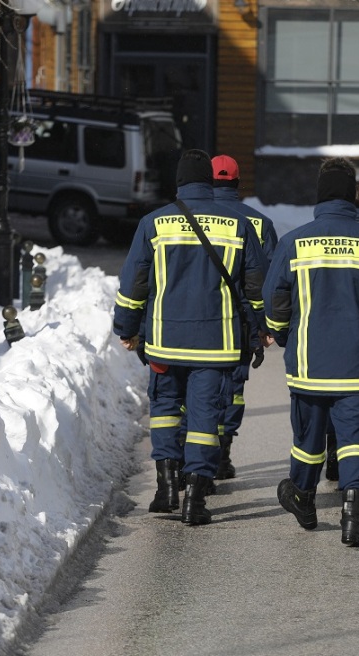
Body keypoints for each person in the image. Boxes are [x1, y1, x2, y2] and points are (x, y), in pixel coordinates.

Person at [113, 149, 270, 526]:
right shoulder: (237, 225)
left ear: (180, 182)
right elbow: (255, 287)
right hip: (216, 344)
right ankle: (195, 499)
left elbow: (134, 283)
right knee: (204, 417)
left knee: (166, 411)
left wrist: (128, 328)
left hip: (165, 340)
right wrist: (260, 328)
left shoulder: (154, 223)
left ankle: (166, 487)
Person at [264, 157, 359, 547]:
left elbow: (276, 296)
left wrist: (280, 333)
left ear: (321, 195)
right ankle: (354, 514)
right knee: (354, 438)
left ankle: (304, 497)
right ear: (351, 196)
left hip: (309, 363)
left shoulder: (296, 242)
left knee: (308, 438)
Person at [210, 154, 279, 480]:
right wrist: (265, 325)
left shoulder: (185, 218)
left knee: (193, 387)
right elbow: (271, 280)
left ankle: (193, 452)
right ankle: (222, 451)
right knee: (232, 388)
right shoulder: (259, 223)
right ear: (237, 184)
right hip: (240, 323)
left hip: (193, 321)